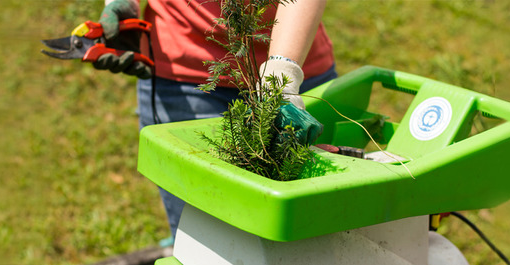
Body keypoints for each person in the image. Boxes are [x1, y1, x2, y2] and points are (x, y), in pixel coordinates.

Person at [94, 0, 336, 243]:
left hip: (297, 59)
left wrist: (283, 74)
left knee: (316, 236)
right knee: (203, 239)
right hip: (184, 69)